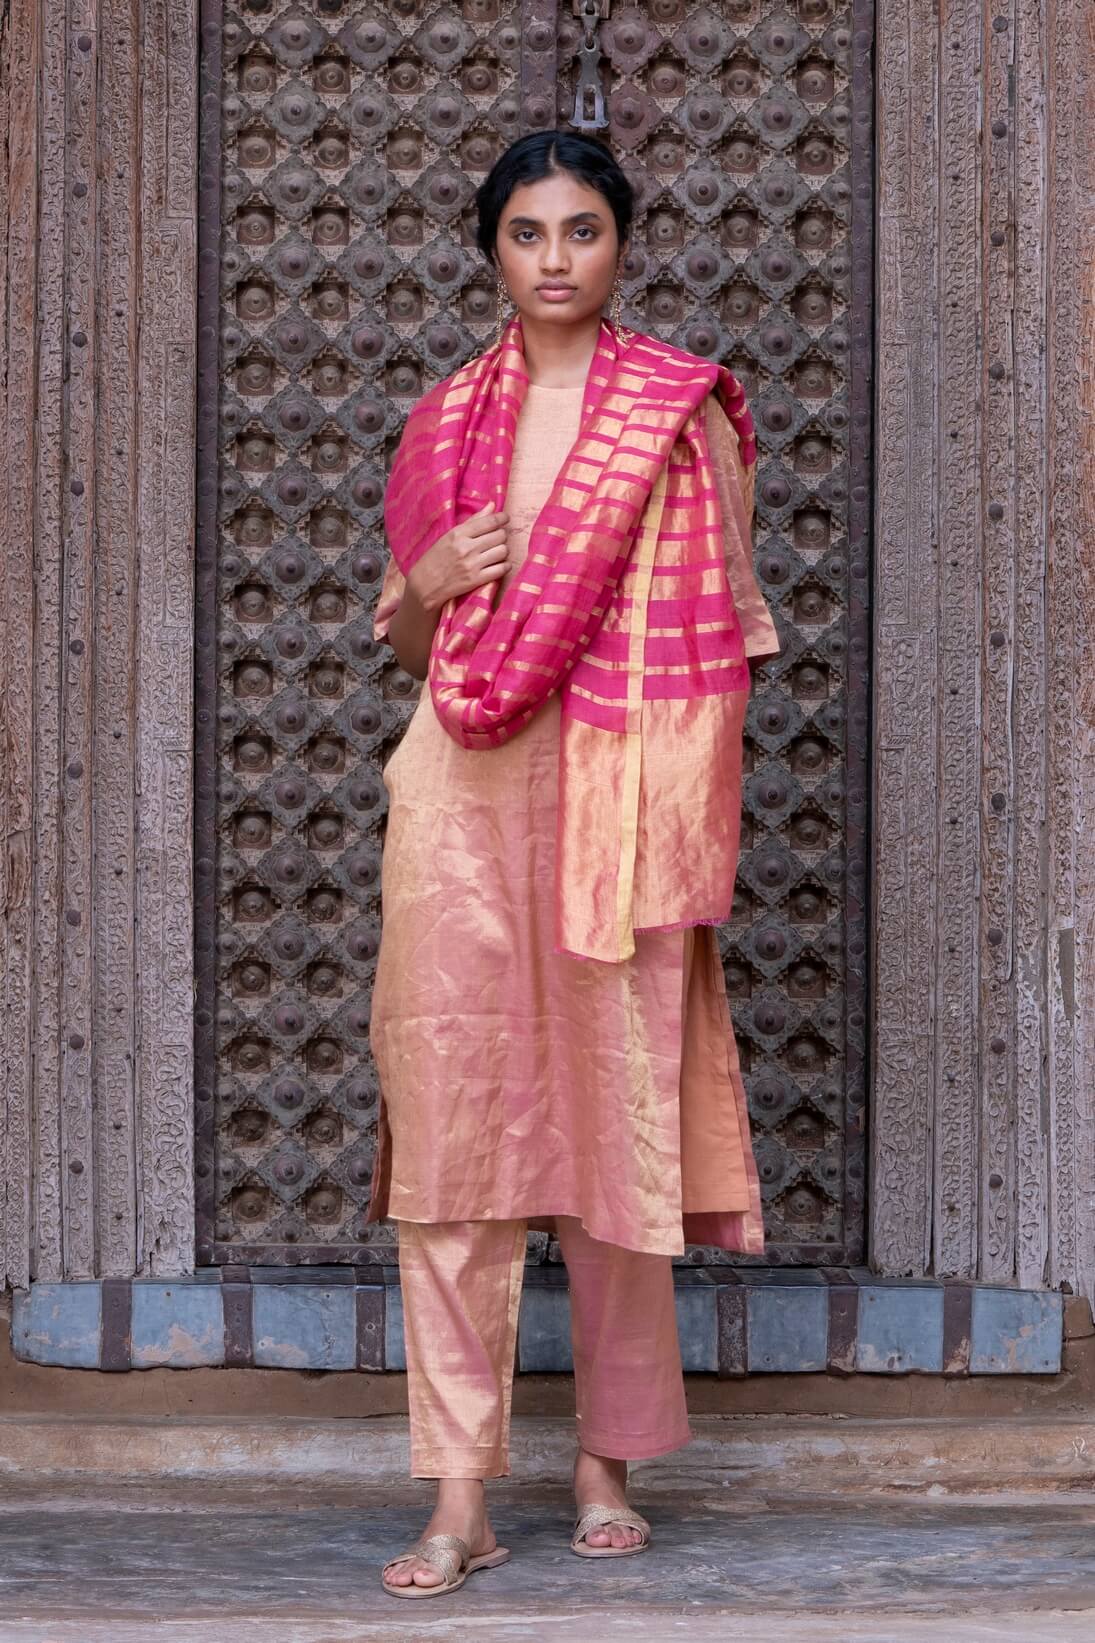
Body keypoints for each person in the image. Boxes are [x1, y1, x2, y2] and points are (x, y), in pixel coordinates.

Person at [367, 129, 780, 1599]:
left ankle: (607, 1461)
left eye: (582, 229)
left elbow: (721, 628)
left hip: (620, 798)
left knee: (616, 1127)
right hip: (463, 800)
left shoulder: (678, 414)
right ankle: (460, 1494)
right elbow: (416, 652)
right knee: (454, 1134)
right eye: (528, 232)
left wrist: (666, 799)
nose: (555, 258)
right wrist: (427, 587)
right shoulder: (443, 422)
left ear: (620, 244)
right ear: (493, 249)